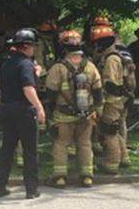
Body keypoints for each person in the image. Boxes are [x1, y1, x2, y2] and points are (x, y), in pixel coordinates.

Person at [43, 29, 104, 188]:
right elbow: (98, 91)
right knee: (85, 144)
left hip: (63, 114)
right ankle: (86, 177)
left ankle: (60, 177)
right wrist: (97, 110)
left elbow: (50, 93)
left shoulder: (58, 68)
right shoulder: (90, 67)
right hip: (87, 114)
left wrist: (48, 113)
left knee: (61, 144)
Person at [0, 28, 46, 199]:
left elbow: (0, 84)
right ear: (27, 46)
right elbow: (28, 88)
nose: (34, 49)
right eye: (33, 46)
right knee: (30, 151)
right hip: (24, 110)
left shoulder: (7, 63)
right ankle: (31, 190)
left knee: (6, 150)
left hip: (7, 109)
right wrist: (39, 107)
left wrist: (34, 72)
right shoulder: (25, 64)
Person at [92, 24, 129, 175]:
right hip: (117, 100)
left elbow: (110, 84)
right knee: (114, 131)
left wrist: (101, 100)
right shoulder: (113, 57)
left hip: (112, 101)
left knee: (109, 132)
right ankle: (124, 158)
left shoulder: (111, 60)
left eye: (97, 44)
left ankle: (111, 163)